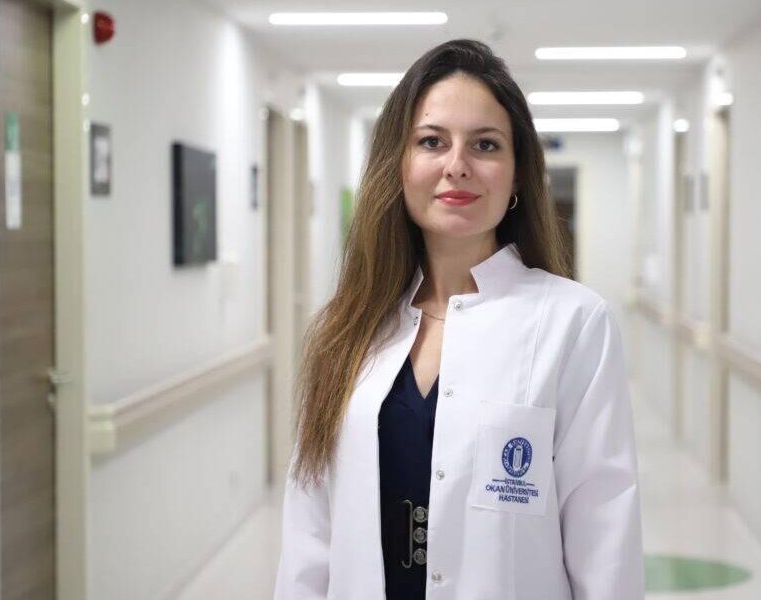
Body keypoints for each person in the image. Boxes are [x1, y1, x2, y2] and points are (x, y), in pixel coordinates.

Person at [274, 38, 644, 599]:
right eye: (432, 141)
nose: (457, 166)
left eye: (485, 144)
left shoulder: (573, 323)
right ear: (398, 165)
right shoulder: (347, 329)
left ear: (517, 174)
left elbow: (604, 534)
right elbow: (310, 532)